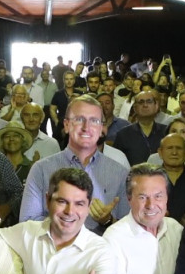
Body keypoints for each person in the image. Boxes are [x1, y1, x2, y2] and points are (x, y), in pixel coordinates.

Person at [20, 96, 126, 230]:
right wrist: (64, 220)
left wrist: (108, 220)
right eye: (79, 119)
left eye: (94, 121)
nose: (86, 127)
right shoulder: (41, 169)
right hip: (54, 250)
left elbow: (128, 232)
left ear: (101, 129)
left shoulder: (119, 173)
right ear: (66, 125)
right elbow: (26, 224)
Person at [111, 88, 169, 166]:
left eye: (149, 101)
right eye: (141, 102)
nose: (145, 105)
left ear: (156, 106)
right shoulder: (123, 135)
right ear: (135, 108)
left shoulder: (167, 132)